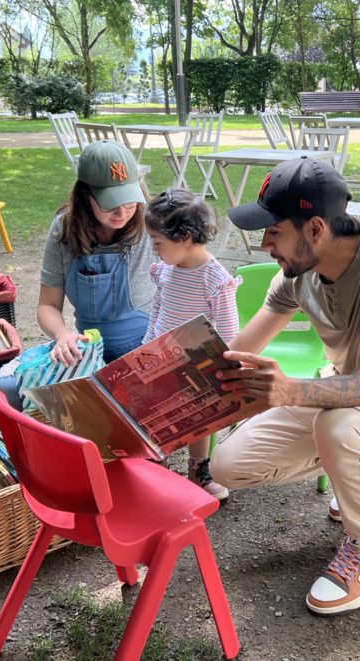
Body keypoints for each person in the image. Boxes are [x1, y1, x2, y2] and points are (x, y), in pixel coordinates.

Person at [210, 156, 360, 616]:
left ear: (315, 228)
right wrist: (184, 390)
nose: (264, 245)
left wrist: (287, 392)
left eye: (274, 232)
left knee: (342, 430)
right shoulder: (298, 274)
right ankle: (354, 474)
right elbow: (239, 351)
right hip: (342, 397)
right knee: (227, 466)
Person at [0, 140, 156, 405]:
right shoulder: (64, 229)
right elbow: (48, 305)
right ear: (85, 195)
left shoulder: (152, 221)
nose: (121, 212)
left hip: (146, 348)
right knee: (7, 384)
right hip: (90, 351)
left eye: (129, 201)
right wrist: (63, 336)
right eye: (109, 203)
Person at [143, 188, 240, 500]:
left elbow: (226, 330)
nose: (154, 249)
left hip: (198, 363)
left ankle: (198, 469)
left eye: (158, 242)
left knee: (202, 421)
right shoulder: (166, 270)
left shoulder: (214, 279)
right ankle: (156, 472)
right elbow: (157, 310)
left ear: (185, 237)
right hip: (161, 357)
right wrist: (145, 348)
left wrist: (220, 368)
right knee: (159, 417)